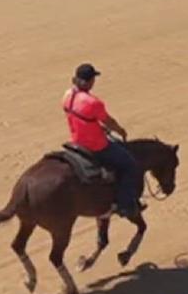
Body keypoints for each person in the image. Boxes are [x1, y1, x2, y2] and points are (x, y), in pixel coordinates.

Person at [61, 63, 143, 218]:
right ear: (91, 81)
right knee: (130, 165)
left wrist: (94, 127)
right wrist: (120, 130)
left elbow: (80, 117)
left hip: (76, 141)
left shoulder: (67, 95)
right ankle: (124, 205)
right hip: (96, 146)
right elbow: (108, 121)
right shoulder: (93, 103)